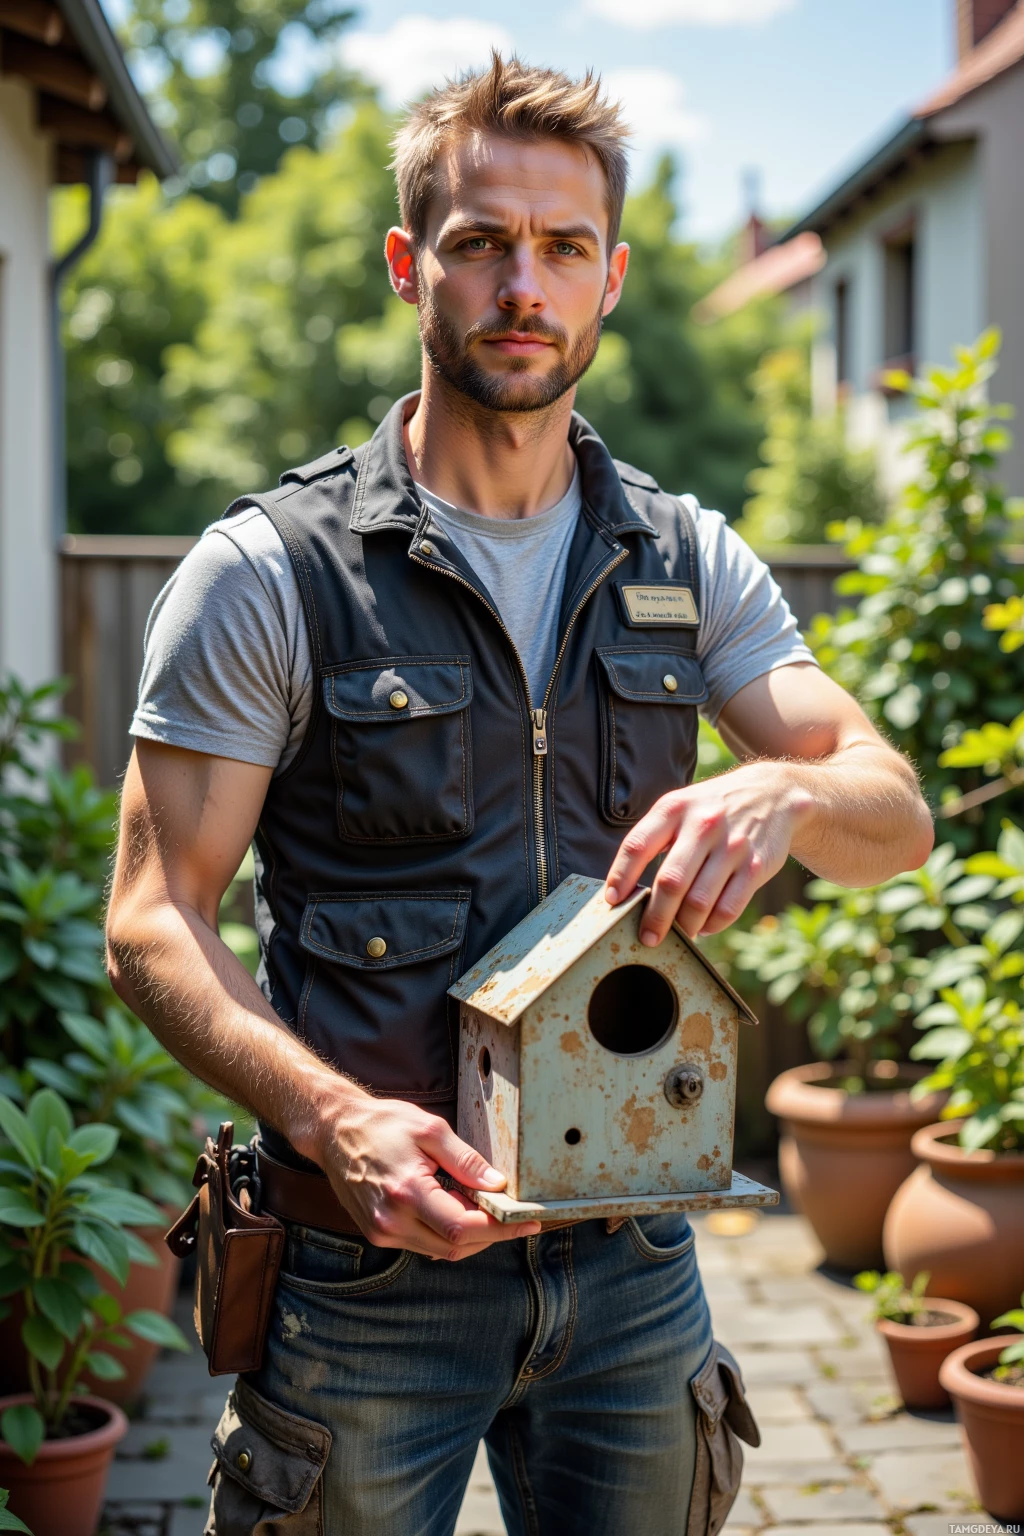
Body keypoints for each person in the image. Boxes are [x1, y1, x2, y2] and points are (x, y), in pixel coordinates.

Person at [106, 54, 933, 1536]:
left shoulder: (687, 561)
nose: (521, 285)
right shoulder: (270, 574)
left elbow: (894, 807)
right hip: (367, 1279)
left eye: (561, 248)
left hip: (635, 1273)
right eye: (481, 242)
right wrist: (340, 1124)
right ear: (407, 263)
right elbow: (154, 921)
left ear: (610, 279)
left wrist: (789, 805)